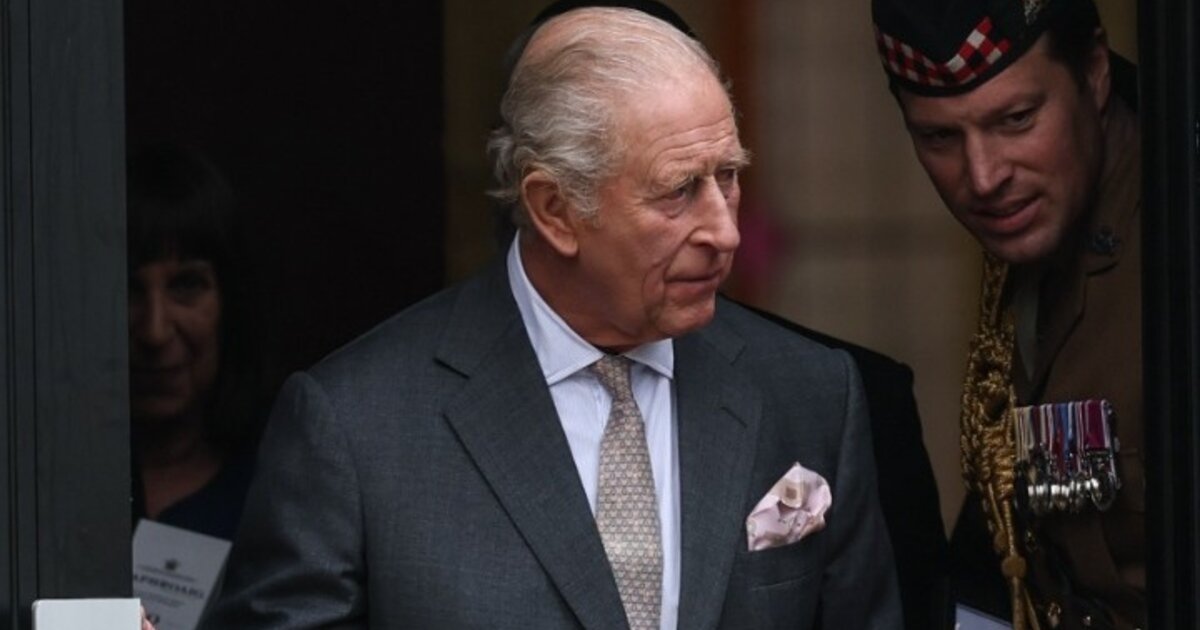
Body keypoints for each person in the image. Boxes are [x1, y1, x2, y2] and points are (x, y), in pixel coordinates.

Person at [204, 4, 901, 628]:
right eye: (679, 191)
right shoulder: (359, 427)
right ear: (555, 209)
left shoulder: (809, 394)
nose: (725, 231)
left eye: (728, 176)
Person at [870, 0, 1142, 627]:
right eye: (940, 137)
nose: (984, 176)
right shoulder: (1037, 243)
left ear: (1094, 72)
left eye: (1017, 119)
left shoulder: (1172, 237)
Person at [128, 143, 267, 541]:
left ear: (230, 301)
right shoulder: (41, 481)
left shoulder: (278, 481)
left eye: (186, 285)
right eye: (127, 290)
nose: (154, 331)